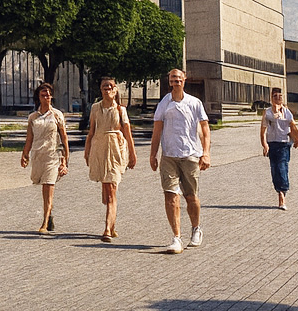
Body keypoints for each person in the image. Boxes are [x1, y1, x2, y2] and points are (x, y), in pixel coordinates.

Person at [150, 68, 211, 253]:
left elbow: (205, 129)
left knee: (191, 196)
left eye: (179, 78)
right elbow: (157, 131)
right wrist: (153, 154)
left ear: (184, 80)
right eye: (173, 79)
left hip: (190, 155)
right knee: (170, 195)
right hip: (169, 155)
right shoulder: (164, 103)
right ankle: (176, 238)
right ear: (169, 81)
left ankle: (196, 228)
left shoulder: (194, 103)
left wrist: (206, 153)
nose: (176, 81)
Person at [85, 75, 137, 242]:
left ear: (115, 90)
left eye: (110, 86)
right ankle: (112, 225)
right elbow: (91, 131)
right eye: (104, 87)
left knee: (112, 188)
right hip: (99, 148)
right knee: (106, 190)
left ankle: (107, 229)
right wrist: (87, 151)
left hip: (116, 149)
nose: (107, 89)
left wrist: (132, 153)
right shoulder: (95, 108)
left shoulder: (121, 110)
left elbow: (128, 133)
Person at [19, 83, 69, 233]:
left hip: (53, 155)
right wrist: (25, 154)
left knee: (49, 185)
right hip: (38, 155)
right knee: (44, 187)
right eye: (43, 95)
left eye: (48, 94)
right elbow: (29, 138)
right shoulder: (33, 117)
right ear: (39, 98)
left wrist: (65, 158)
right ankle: (50, 214)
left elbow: (64, 137)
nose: (46, 97)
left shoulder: (57, 115)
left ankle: (45, 222)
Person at [260, 87, 298, 209]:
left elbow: (293, 127)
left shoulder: (287, 112)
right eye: (275, 96)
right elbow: (263, 131)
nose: (278, 98)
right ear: (271, 98)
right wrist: (265, 145)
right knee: (275, 169)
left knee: (282, 167)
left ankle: (282, 195)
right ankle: (280, 191)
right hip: (272, 144)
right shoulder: (267, 113)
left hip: (284, 144)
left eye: (280, 96)